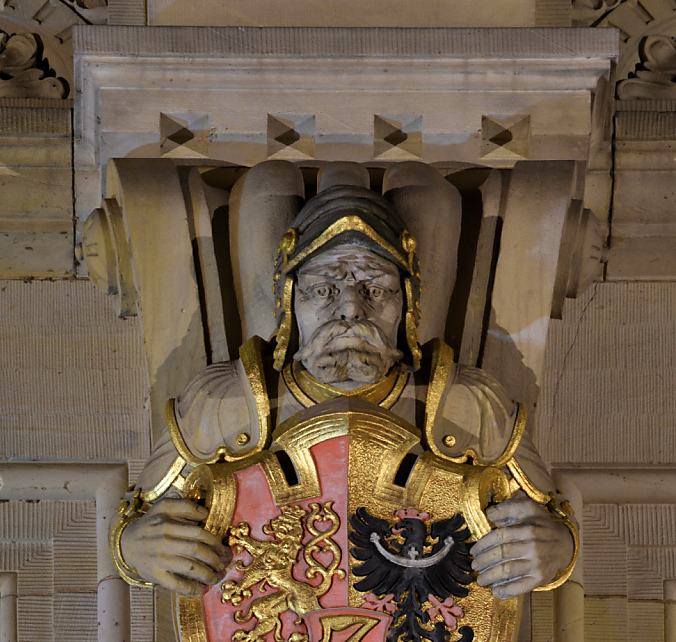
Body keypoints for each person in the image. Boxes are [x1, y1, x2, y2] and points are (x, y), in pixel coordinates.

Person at [111, 166, 576, 599]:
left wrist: (554, 550)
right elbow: (136, 518)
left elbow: (552, 521)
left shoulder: (469, 403)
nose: (352, 308)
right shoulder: (223, 403)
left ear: (407, 306)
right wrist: (137, 549)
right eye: (323, 290)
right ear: (290, 305)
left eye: (375, 288)